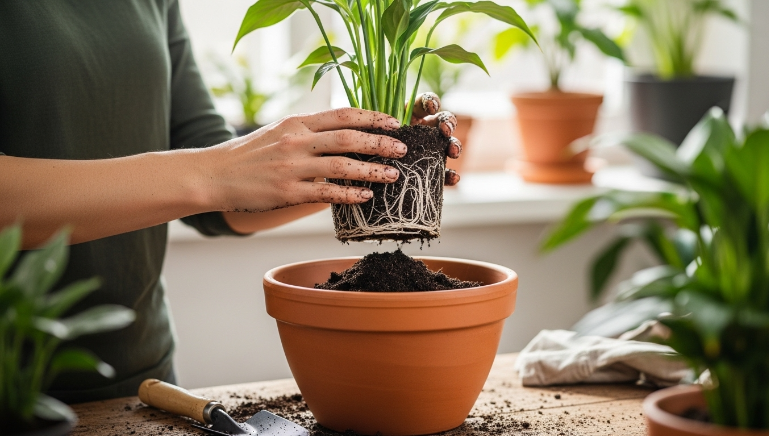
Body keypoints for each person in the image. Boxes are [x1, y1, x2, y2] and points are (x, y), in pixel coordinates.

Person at [0, 1, 461, 403]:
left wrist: (377, 156)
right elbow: (211, 176)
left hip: (144, 384)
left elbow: (221, 204)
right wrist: (215, 171)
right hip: (16, 394)